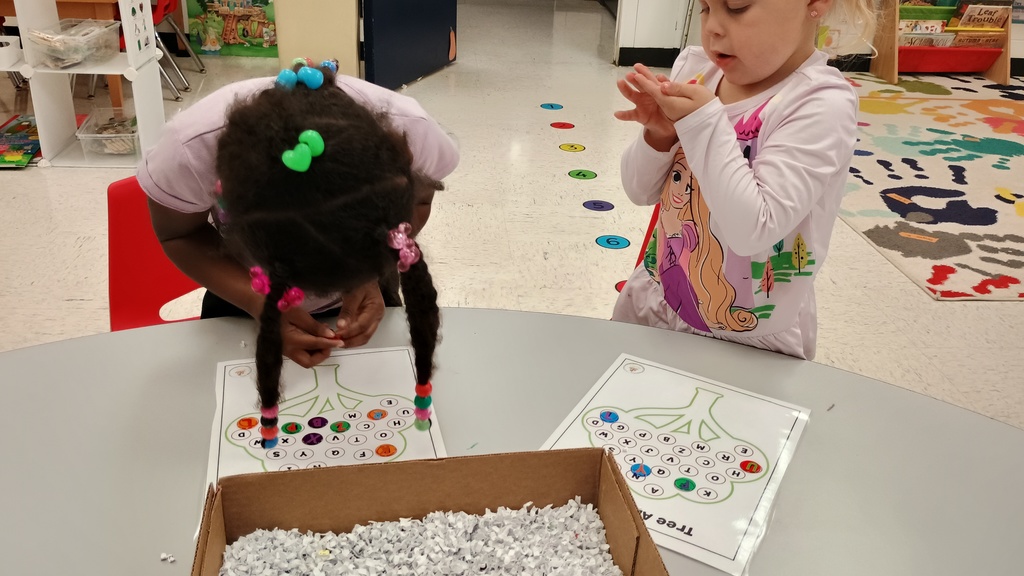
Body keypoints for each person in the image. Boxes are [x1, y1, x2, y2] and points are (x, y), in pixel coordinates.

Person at [138, 60, 457, 437]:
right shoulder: (189, 153)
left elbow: (418, 203)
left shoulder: (414, 135)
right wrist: (260, 302)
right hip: (242, 288)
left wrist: (368, 273)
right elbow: (179, 235)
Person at [611, 0, 875, 360]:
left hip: (747, 334)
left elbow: (753, 229)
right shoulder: (696, 68)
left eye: (737, 7)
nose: (713, 28)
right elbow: (639, 191)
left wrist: (704, 122)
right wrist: (657, 136)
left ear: (815, 4)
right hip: (656, 295)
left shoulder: (819, 102)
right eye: (704, 7)